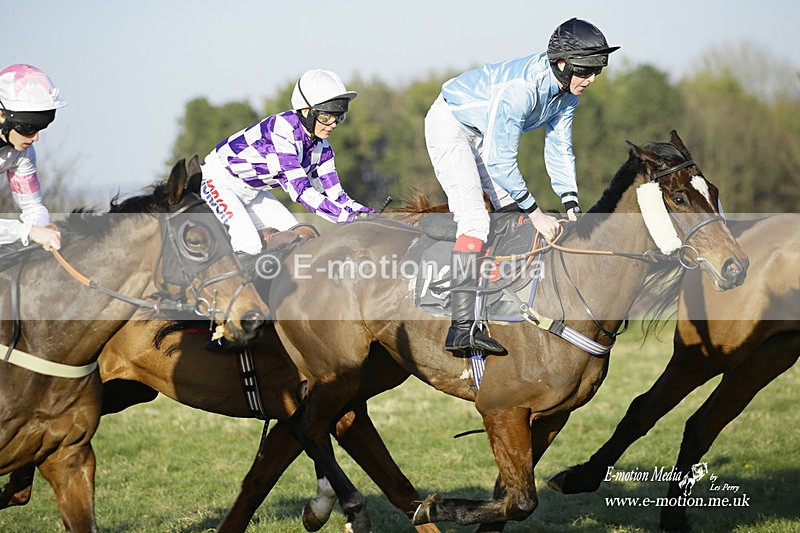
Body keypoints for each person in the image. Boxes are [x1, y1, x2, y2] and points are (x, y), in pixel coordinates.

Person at [424, 18, 619, 355]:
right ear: (561, 63)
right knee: (476, 220)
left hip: (481, 131)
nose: (591, 80)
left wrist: (570, 201)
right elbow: (501, 162)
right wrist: (538, 213)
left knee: (512, 214)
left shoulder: (567, 94)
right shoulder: (521, 91)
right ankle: (459, 329)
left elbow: (559, 147)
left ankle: (493, 290)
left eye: (596, 71)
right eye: (585, 70)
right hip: (450, 125)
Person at [200, 68, 373, 257]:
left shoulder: (323, 149)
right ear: (306, 111)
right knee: (250, 245)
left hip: (252, 191)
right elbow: (302, 192)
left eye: (338, 117)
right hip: (217, 181)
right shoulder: (281, 132)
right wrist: (348, 218)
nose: (332, 124)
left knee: (299, 240)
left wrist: (367, 215)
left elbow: (336, 195)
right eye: (325, 117)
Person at [0, 64, 66, 252]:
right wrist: (28, 231)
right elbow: (27, 229)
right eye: (28, 128)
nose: (35, 137)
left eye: (40, 128)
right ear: (2, 116)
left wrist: (42, 230)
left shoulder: (22, 153)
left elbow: (34, 207)